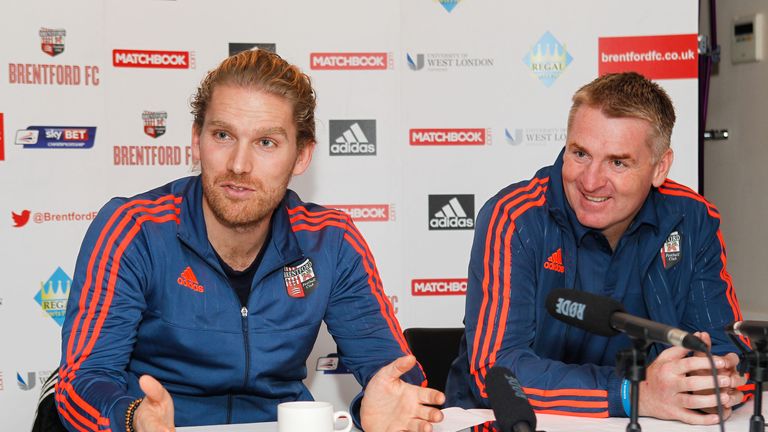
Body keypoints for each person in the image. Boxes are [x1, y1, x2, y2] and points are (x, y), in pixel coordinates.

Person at [55, 49, 444, 432]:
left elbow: (394, 374)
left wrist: (382, 409)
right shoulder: (133, 229)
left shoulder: (330, 241)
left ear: (302, 155)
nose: (239, 165)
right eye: (223, 135)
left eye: (266, 143)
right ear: (196, 140)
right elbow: (82, 384)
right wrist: (132, 417)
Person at [445, 72, 751, 425]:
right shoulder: (515, 218)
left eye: (617, 162)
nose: (590, 181)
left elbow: (724, 347)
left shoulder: (692, 218)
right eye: (580, 154)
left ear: (660, 167)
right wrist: (632, 393)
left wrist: (717, 376)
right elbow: (496, 369)